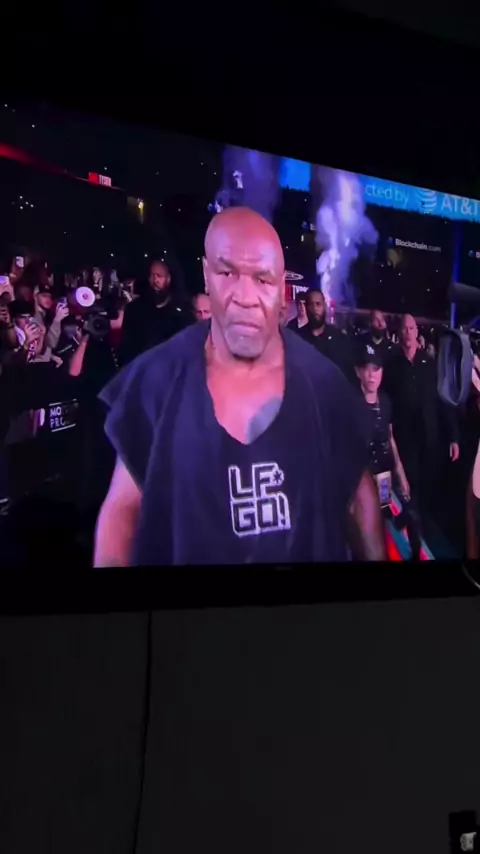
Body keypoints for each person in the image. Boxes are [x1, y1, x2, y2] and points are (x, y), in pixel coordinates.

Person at [94, 207, 385, 567]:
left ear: (281, 288)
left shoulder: (323, 384)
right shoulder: (157, 378)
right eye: (228, 273)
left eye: (262, 279)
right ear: (206, 274)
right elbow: (122, 510)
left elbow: (358, 494)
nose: (245, 296)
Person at [383, 313, 460, 541]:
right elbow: (386, 402)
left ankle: (421, 526)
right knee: (409, 487)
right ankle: (413, 533)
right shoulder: (392, 366)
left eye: (411, 328)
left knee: (428, 488)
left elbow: (442, 400)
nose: (408, 333)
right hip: (405, 440)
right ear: (399, 333)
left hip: (430, 438)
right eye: (404, 329)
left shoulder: (430, 363)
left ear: (417, 332)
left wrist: (454, 437)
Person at [119, 260, 190, 365]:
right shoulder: (134, 309)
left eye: (159, 276)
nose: (155, 280)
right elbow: (126, 348)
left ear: (169, 278)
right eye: (152, 276)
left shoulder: (181, 311)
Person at [298, 289, 356, 382]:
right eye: (311, 304)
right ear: (306, 308)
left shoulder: (340, 339)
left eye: (318, 304)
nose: (315, 308)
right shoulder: (298, 339)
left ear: (324, 306)